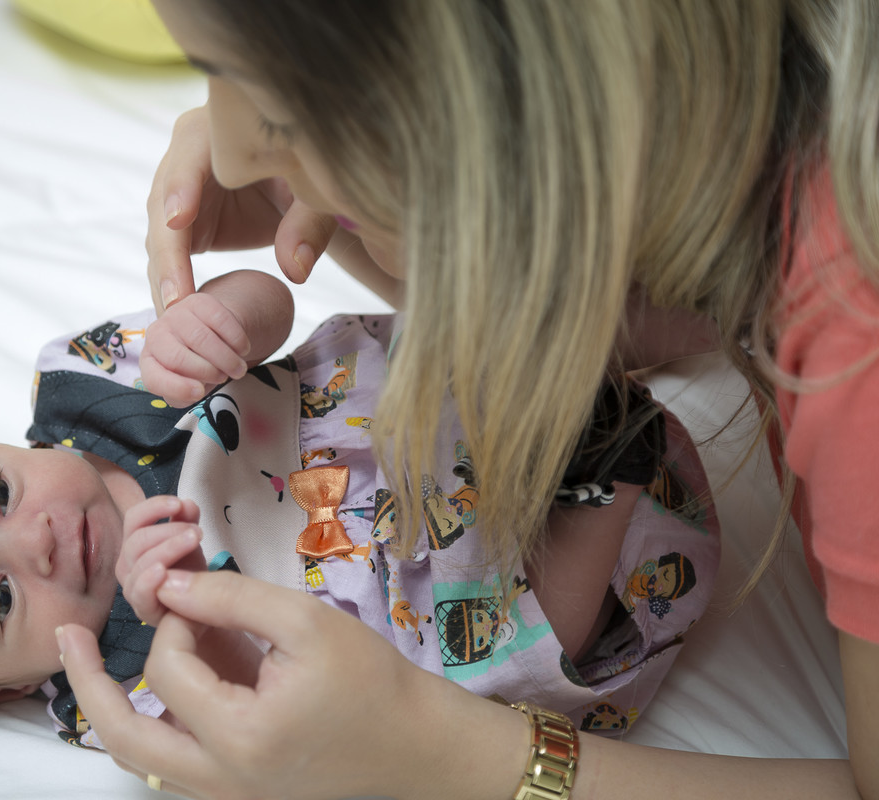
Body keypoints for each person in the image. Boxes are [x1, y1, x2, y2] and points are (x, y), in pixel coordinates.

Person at [53, 1, 879, 798]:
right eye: (208, 69)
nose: (228, 157)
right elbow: (594, 312)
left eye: (274, 104)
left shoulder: (855, 339)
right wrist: (335, 195)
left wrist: (436, 751)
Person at [0, 267, 716, 753]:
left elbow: (272, 308)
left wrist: (223, 318)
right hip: (482, 588)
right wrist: (194, 622)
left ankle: (614, 345)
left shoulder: (88, 380)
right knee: (462, 686)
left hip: (429, 418)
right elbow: (267, 730)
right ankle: (603, 476)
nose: (36, 539)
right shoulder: (120, 690)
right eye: (2, 598)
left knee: (463, 329)